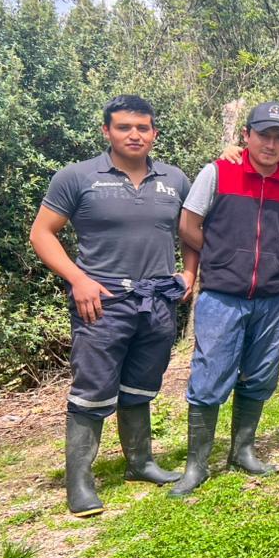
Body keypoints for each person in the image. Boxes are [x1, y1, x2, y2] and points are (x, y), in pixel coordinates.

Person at [29, 95, 197, 517]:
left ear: (155, 133)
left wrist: (190, 274)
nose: (134, 135)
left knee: (141, 385)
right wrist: (78, 279)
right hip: (101, 302)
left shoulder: (174, 180)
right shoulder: (78, 177)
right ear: (107, 131)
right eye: (124, 127)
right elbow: (42, 234)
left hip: (158, 301)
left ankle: (140, 464)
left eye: (143, 127)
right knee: (92, 390)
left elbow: (192, 232)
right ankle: (80, 484)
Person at [170, 102, 279, 497]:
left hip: (271, 299)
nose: (270, 144)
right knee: (210, 375)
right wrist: (223, 256)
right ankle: (196, 465)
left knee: (259, 374)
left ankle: (242, 451)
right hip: (221, 296)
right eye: (263, 134)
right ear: (246, 135)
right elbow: (189, 224)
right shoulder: (217, 172)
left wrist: (273, 262)